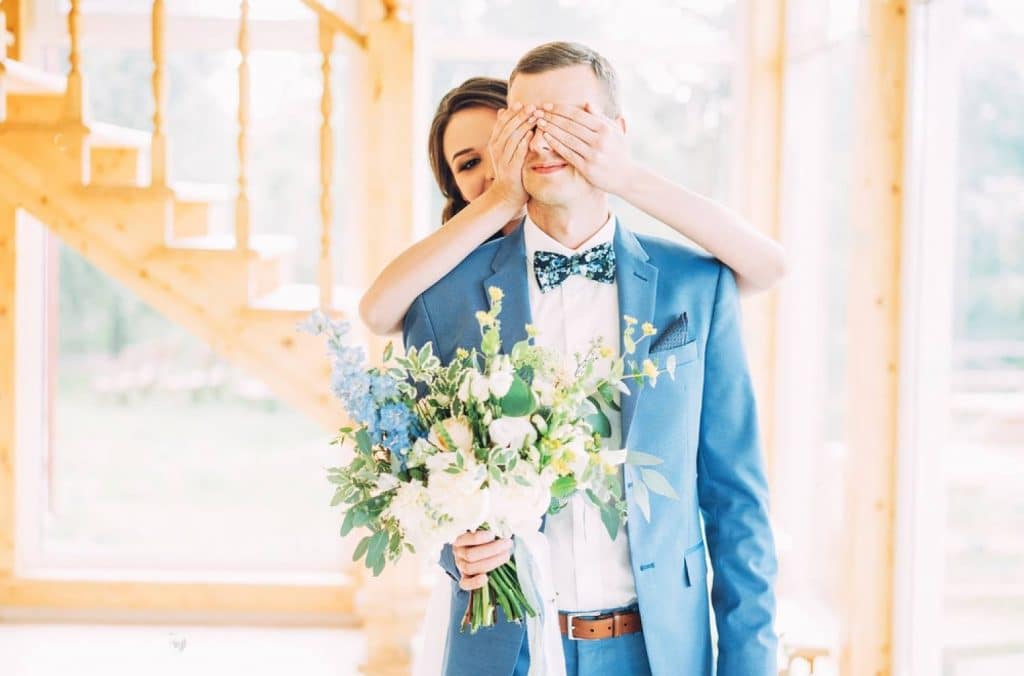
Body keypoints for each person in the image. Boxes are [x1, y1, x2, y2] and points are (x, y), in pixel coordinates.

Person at [401, 42, 779, 676]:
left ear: (616, 133)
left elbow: (737, 501)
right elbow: (421, 476)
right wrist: (455, 546)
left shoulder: (697, 286)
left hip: (659, 652)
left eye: (574, 121)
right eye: (528, 125)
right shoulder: (442, 300)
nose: (549, 142)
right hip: (503, 649)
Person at [358, 75, 786, 337]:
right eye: (469, 163)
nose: (498, 165)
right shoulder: (447, 288)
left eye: (508, 140)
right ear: (454, 187)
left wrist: (623, 176)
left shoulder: (650, 267)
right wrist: (503, 196)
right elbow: (377, 313)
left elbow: (768, 266)